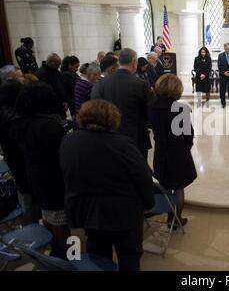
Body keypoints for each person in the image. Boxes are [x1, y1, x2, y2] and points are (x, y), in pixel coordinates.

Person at [60, 100, 154, 271]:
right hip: (122, 212)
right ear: (112, 119)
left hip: (87, 212)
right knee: (129, 256)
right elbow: (143, 177)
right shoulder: (122, 143)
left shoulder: (68, 141)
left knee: (98, 256)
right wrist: (148, 203)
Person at [12, 82, 70, 259]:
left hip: (35, 175)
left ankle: (53, 251)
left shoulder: (19, 122)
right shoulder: (48, 126)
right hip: (54, 177)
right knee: (60, 220)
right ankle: (68, 257)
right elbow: (62, 154)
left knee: (48, 215)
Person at [148, 74, 197, 227]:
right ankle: (175, 219)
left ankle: (169, 215)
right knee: (179, 187)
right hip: (178, 153)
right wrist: (186, 147)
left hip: (161, 151)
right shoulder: (180, 108)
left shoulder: (151, 106)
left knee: (165, 184)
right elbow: (188, 134)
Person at [91, 48, 151, 158]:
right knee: (137, 171)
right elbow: (149, 111)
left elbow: (94, 110)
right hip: (135, 139)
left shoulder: (100, 84)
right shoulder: (140, 84)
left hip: (107, 138)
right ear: (134, 63)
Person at [0, 79, 40, 225]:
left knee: (24, 193)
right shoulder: (19, 117)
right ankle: (31, 227)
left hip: (12, 158)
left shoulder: (4, 113)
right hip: (25, 159)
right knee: (29, 196)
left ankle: (30, 225)